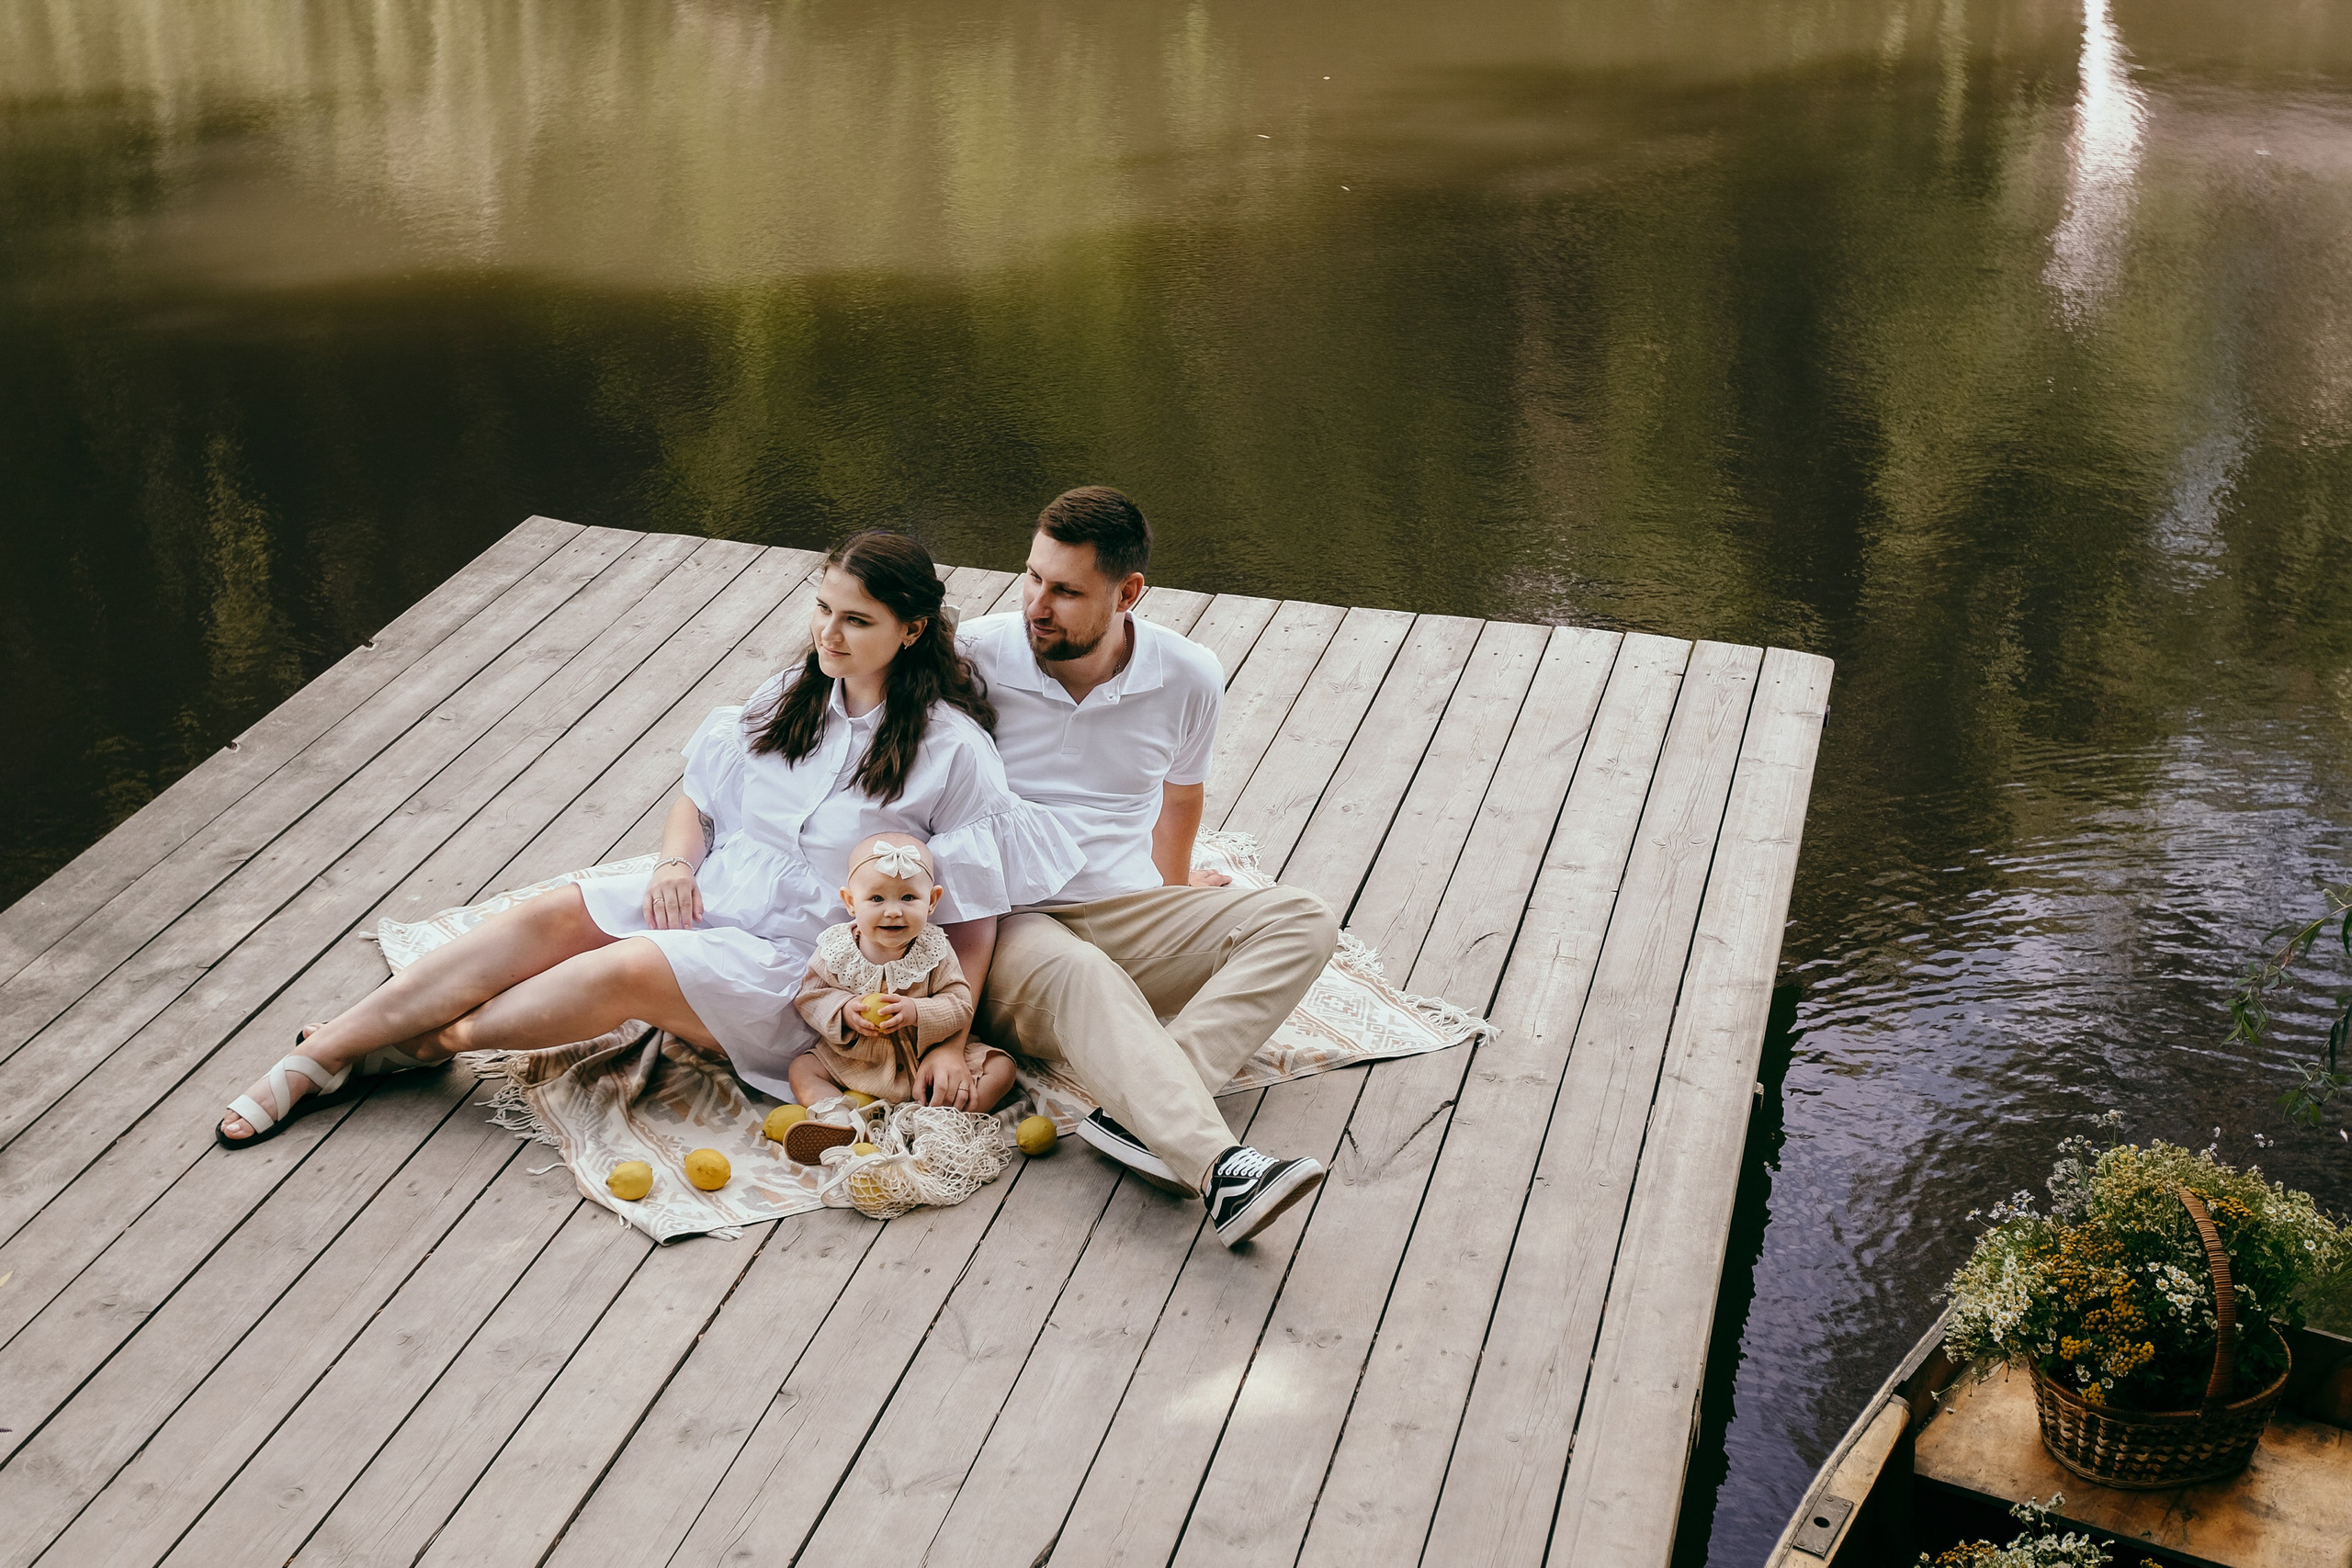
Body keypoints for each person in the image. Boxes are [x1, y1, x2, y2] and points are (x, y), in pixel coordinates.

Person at [217, 532, 1080, 1149]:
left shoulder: (950, 751)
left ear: (911, 629)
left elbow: (971, 914)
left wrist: (951, 1034)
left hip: (804, 963)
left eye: (855, 619)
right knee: (556, 911)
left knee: (630, 966)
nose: (828, 632)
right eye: (823, 608)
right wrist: (674, 863)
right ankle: (333, 1051)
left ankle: (417, 1043)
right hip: (723, 892)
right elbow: (699, 799)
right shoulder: (792, 694)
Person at [958, 486, 1340, 1247]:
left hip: (1124, 910)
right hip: (1009, 925)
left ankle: (1138, 1115)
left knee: (1304, 918)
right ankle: (1220, 1167)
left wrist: (1175, 892)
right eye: (1033, 576)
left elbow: (1180, 800)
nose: (1038, 603)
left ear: (1129, 592)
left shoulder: (1189, 674)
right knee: (1085, 977)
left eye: (1066, 590)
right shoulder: (972, 655)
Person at [785, 832, 1016, 1150]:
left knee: (1001, 1068)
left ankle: (944, 1125)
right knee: (802, 1068)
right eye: (877, 899)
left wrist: (917, 1011)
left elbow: (960, 1004)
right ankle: (840, 1122)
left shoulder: (935, 950)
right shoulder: (836, 949)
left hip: (925, 1060)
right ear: (851, 902)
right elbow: (811, 996)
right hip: (858, 1060)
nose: (893, 911)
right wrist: (845, 1009)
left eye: (908, 898)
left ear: (932, 901)